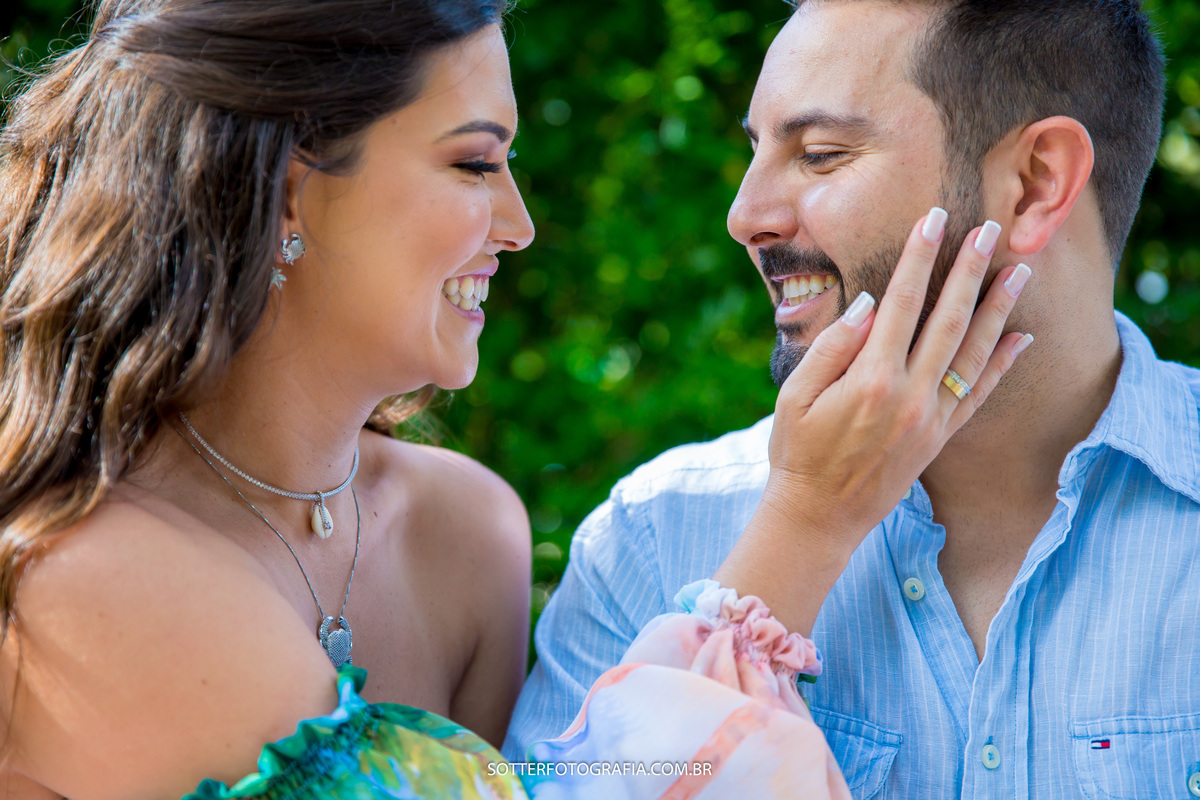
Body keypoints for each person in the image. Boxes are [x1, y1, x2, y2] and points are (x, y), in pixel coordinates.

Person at [0, 0, 1027, 798]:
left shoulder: (463, 532)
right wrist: (805, 526)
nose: (520, 223)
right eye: (475, 162)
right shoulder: (91, 567)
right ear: (289, 188)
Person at [506, 0, 1200, 796]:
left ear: (1036, 184)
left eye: (821, 154)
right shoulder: (650, 539)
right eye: (756, 150)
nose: (745, 216)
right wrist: (798, 535)